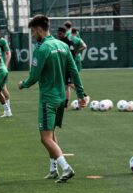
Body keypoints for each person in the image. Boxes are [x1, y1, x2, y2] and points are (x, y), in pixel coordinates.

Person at [18, 15, 87, 183]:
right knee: (51, 133)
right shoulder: (63, 45)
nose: (33, 35)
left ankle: (66, 167)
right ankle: (53, 169)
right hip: (61, 98)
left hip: (48, 99)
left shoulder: (42, 49)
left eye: (34, 32)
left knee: (45, 138)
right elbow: (74, 71)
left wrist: (23, 84)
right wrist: (81, 94)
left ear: (40, 29)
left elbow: (34, 76)